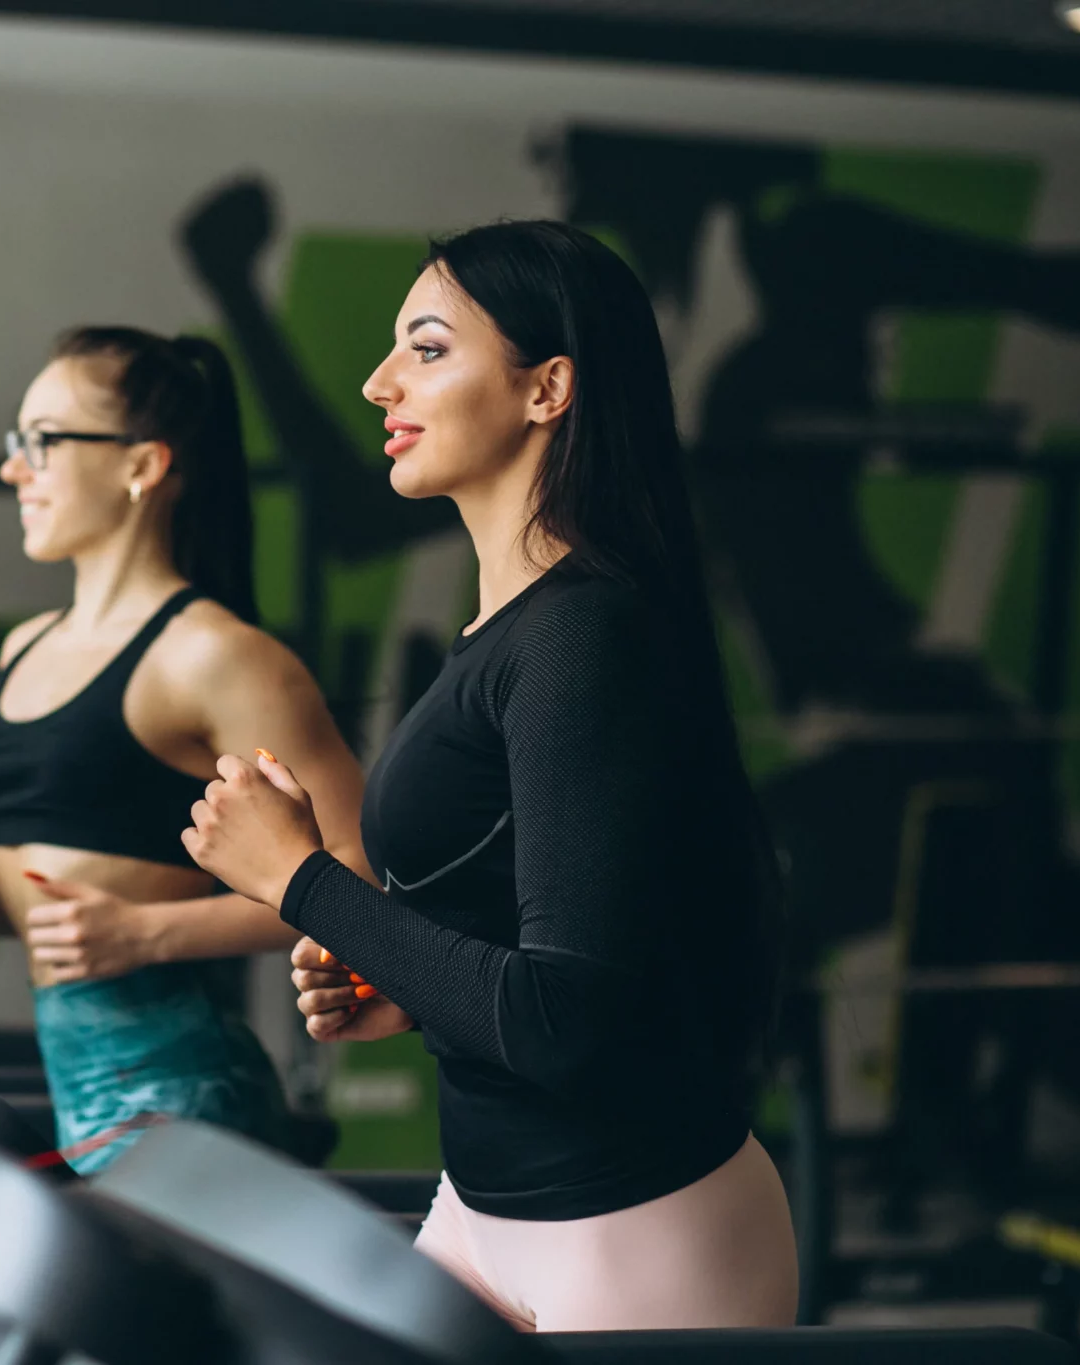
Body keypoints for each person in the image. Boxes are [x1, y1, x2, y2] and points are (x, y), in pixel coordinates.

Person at [182, 221, 798, 1331]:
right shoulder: (513, 631)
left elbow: (569, 1017)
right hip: (485, 1203)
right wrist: (403, 993)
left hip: (631, 1233)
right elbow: (541, 947)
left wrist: (300, 881)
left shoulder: (580, 639)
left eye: (424, 350)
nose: (377, 384)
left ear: (545, 388)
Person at [0, 326, 371, 1173]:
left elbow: (361, 882)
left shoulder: (217, 657)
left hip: (186, 1099)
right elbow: (82, 910)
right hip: (82, 1094)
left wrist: (149, 933)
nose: (15, 469)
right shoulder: (24, 646)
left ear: (142, 465)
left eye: (43, 442)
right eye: (18, 444)